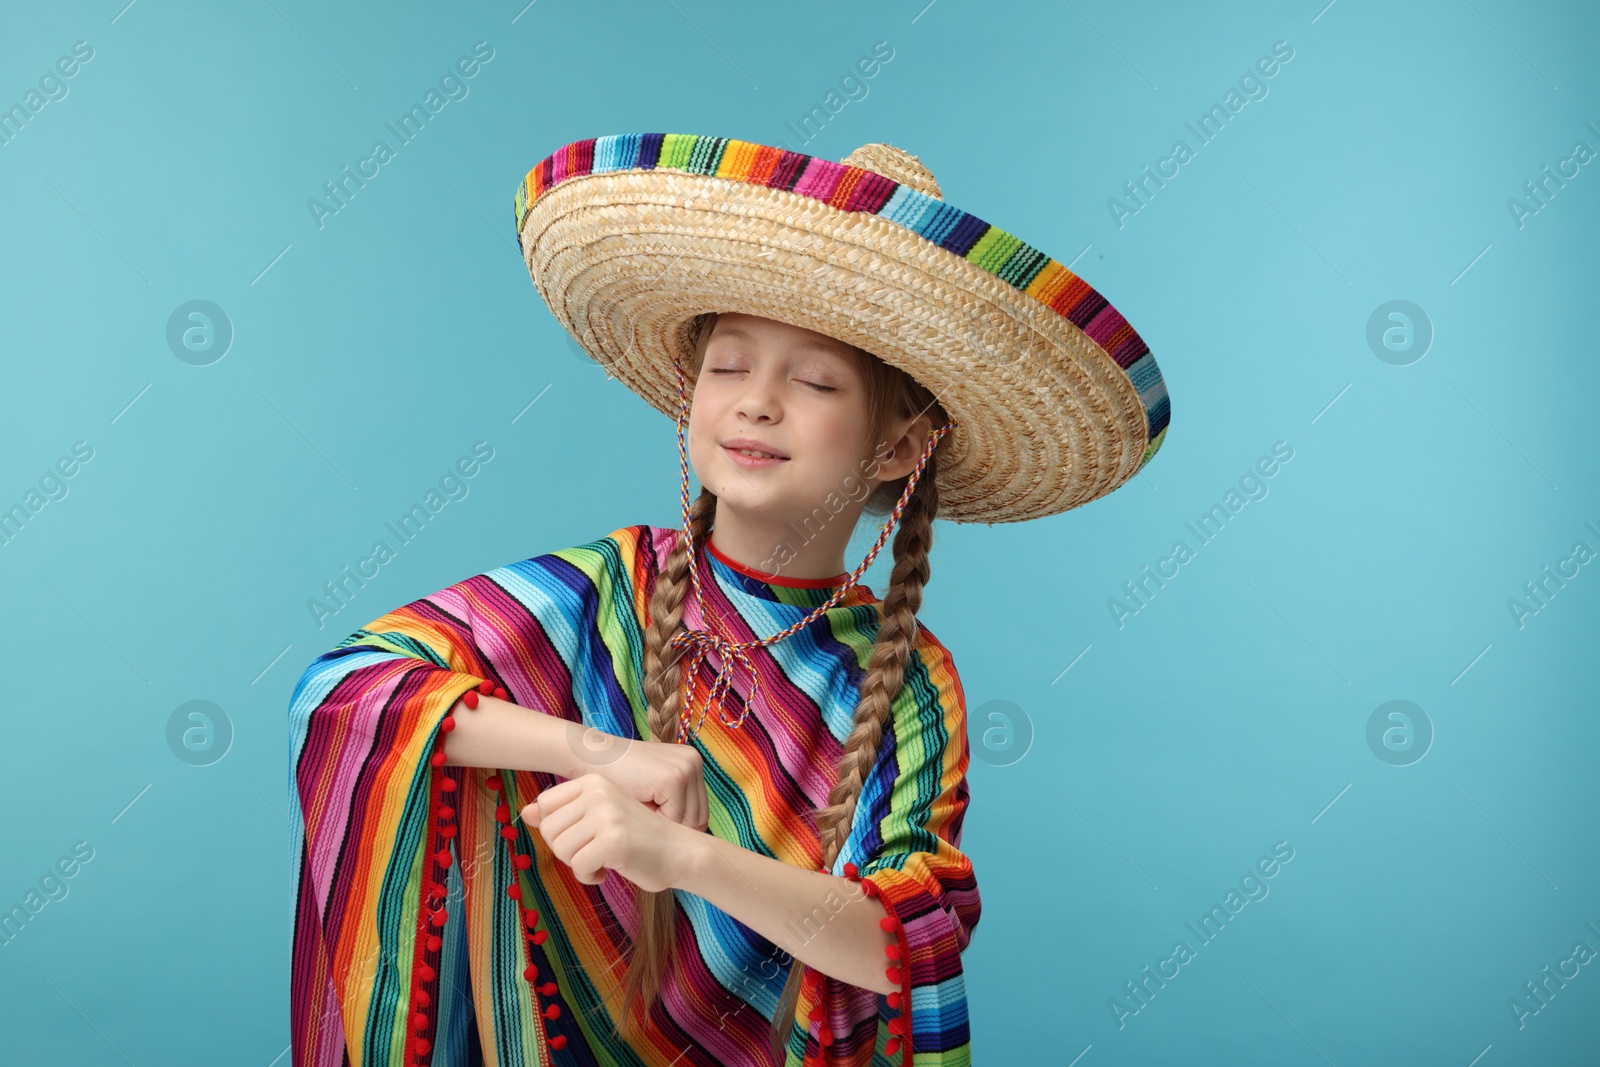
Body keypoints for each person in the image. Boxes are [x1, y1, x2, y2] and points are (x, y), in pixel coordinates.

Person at [288, 132, 1170, 1067]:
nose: (756, 402)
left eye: (817, 379)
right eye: (728, 365)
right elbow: (346, 689)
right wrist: (597, 750)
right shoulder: (610, 589)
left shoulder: (905, 682)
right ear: (689, 393)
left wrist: (685, 858)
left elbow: (910, 943)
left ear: (902, 446)